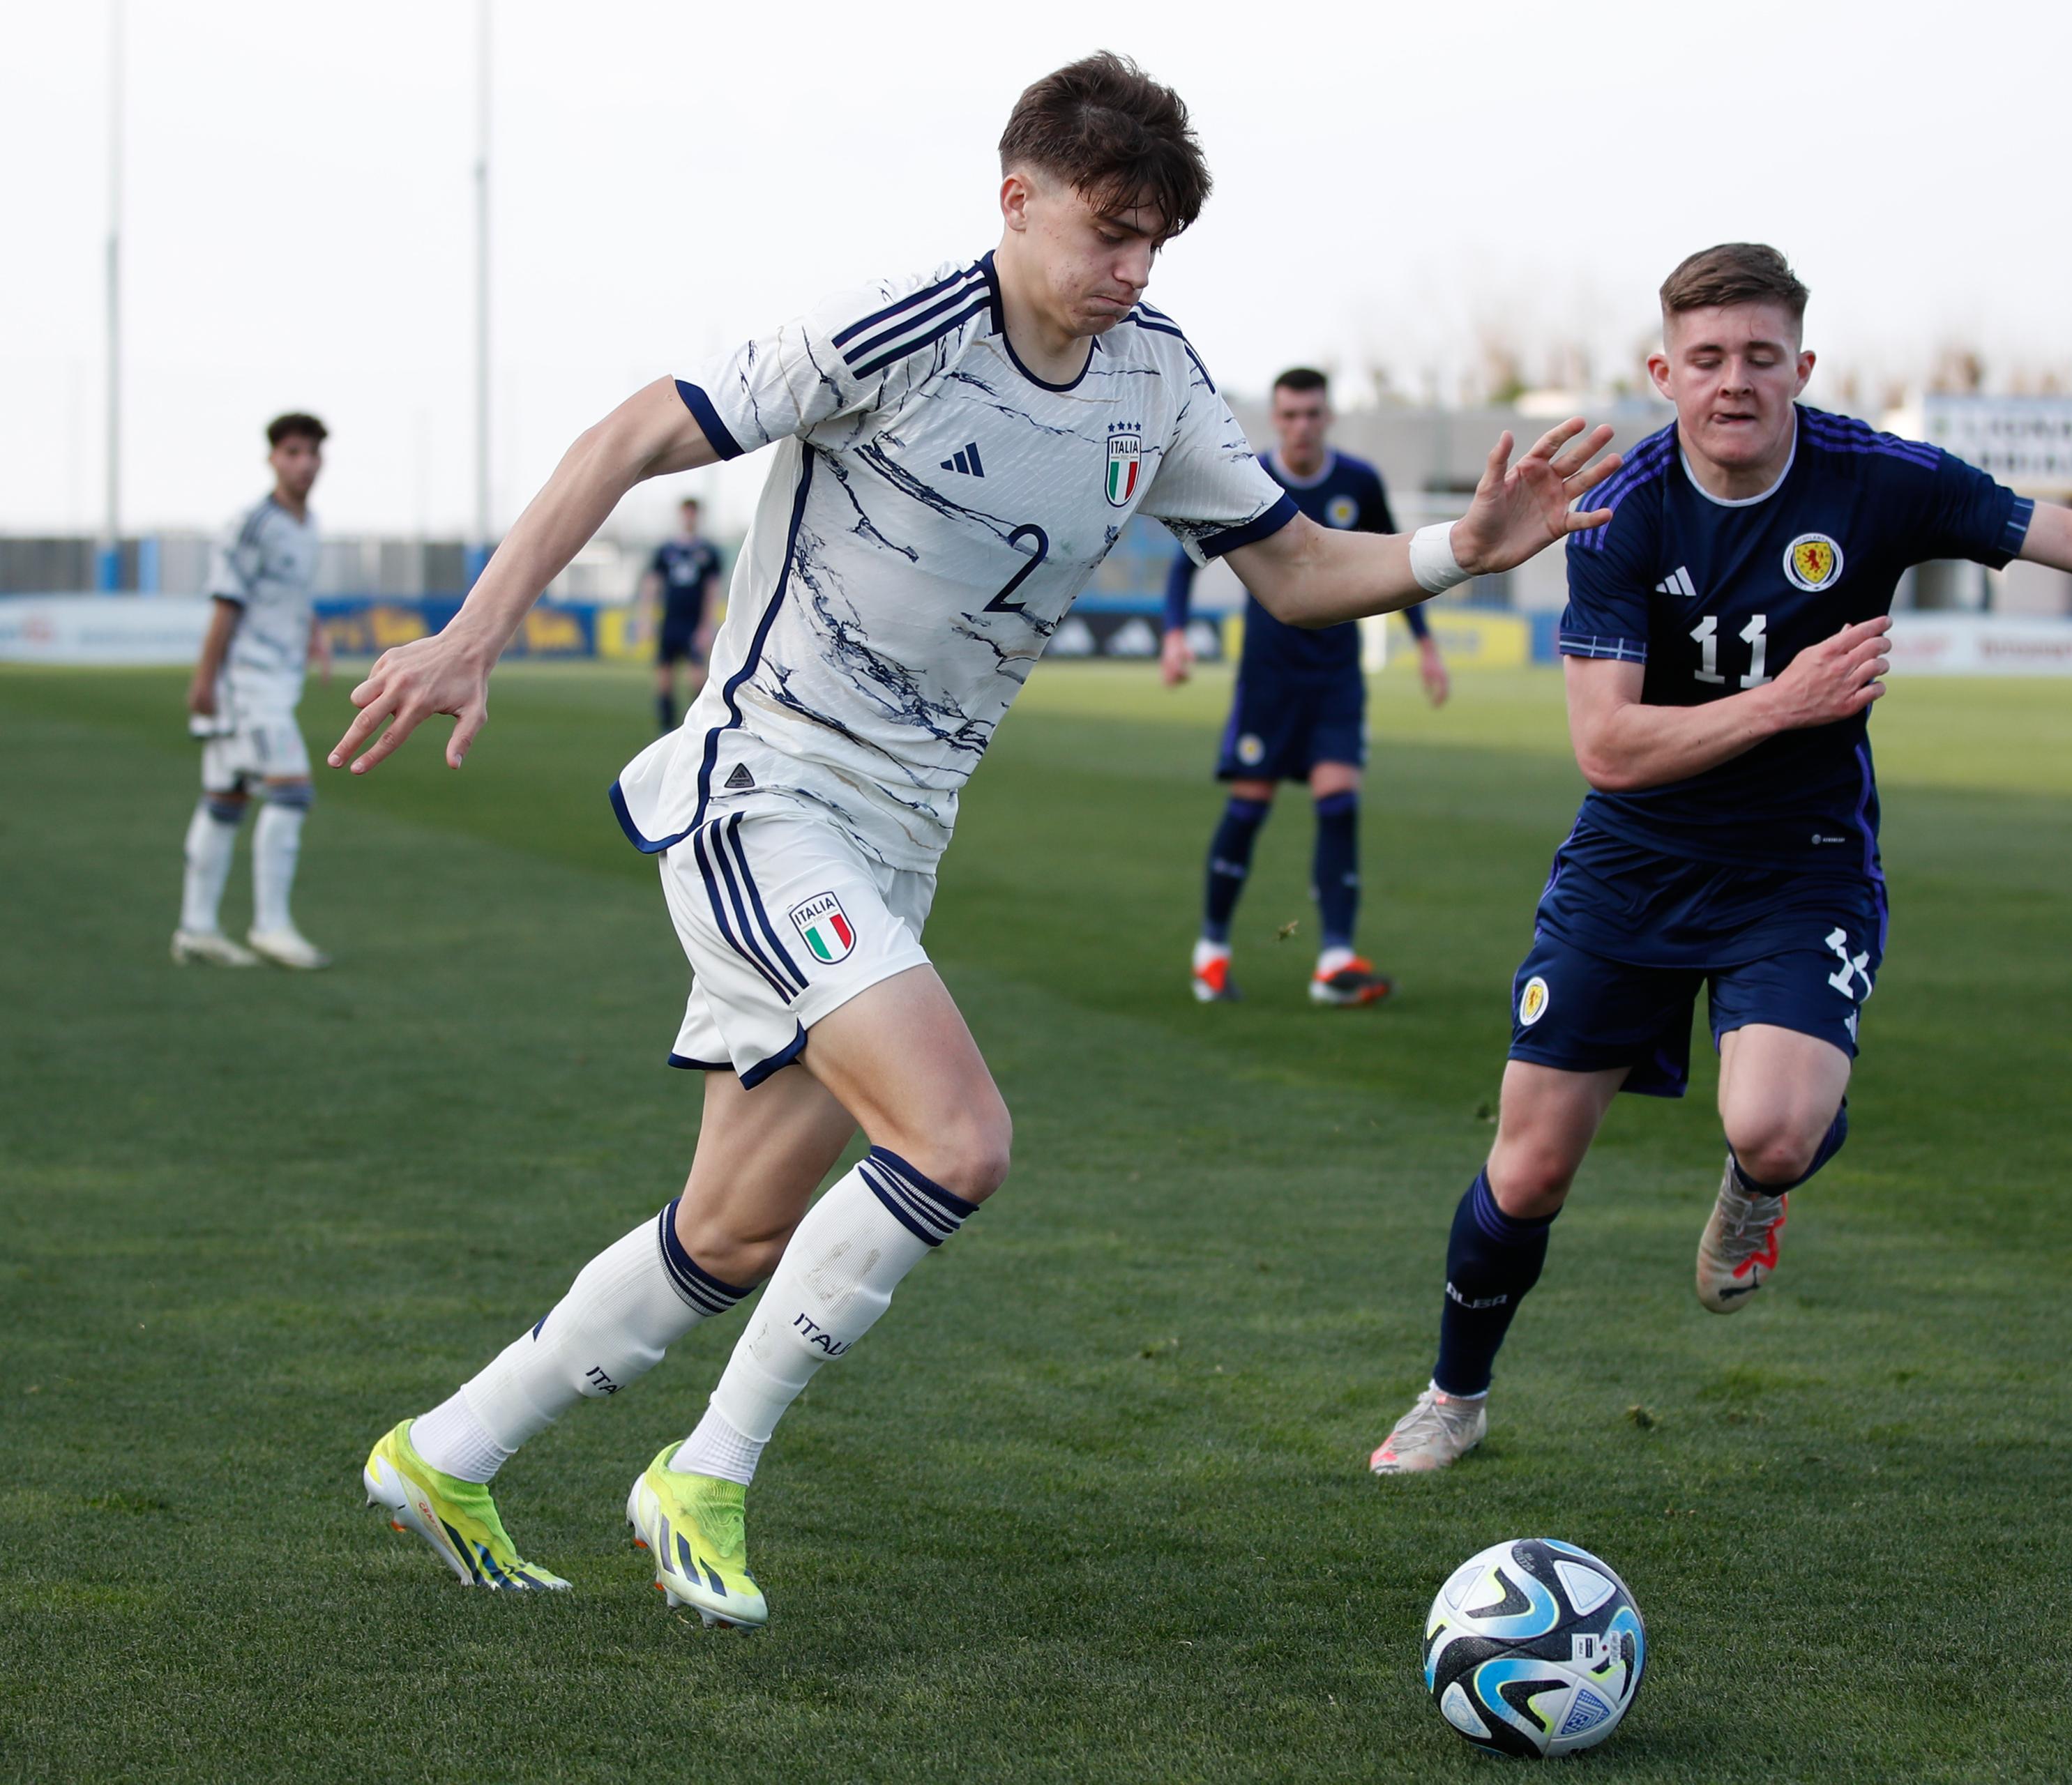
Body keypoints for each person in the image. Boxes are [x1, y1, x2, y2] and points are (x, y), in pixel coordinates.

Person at [331, 54, 1620, 1626]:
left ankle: (447, 1449)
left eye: (1159, 241)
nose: (1134, 268)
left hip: (898, 836)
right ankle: (706, 1472)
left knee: (732, 1227)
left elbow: (1288, 568)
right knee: (957, 1139)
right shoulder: (896, 331)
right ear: (1017, 199)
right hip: (766, 792)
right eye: (1110, 229)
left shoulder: (1154, 377)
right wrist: (478, 627)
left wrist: (1456, 549)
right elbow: (630, 435)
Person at [1366, 243, 2072, 1474]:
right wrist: (1786, 700)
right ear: (1665, 372)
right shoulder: (1621, 508)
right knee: (1529, 1169)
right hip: (1632, 867)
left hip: (1800, 865)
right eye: (1707, 360)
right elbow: (1608, 748)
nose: (1734, 381)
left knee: (1780, 1132)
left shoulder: (1874, 477)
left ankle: (1758, 1190)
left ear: (1803, 365)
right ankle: (1455, 1397)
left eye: (1762, 357)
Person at [1158, 367, 1449, 1006]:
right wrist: (1175, 633)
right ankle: (1212, 951)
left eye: (1312, 414)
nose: (1301, 427)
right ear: (1275, 419)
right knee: (1250, 805)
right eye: (1289, 415)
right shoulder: (1248, 479)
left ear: (1328, 417)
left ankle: (1336, 963)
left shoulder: (1359, 483)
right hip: (1269, 676)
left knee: (1339, 801)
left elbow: (1401, 563)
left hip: (1336, 674)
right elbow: (1186, 566)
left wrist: (1426, 647)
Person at [174, 412, 335, 971]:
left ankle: (196, 929)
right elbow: (227, 601)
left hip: (274, 678)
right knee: (292, 792)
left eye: (312, 453)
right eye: (293, 452)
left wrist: (314, 636)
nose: (304, 463)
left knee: (226, 800)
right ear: (272, 458)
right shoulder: (254, 524)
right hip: (247, 683)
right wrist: (204, 677)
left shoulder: (307, 524)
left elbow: (290, 594)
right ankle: (272, 926)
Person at [642, 496, 725, 732]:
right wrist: (646, 619)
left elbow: (712, 591)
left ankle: (697, 727)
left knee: (697, 679)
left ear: (698, 517)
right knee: (664, 678)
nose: (689, 517)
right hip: (669, 622)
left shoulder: (708, 552)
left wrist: (707, 626)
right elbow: (652, 585)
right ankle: (665, 730)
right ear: (681, 516)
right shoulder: (666, 551)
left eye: (693, 513)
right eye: (686, 513)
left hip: (693, 624)